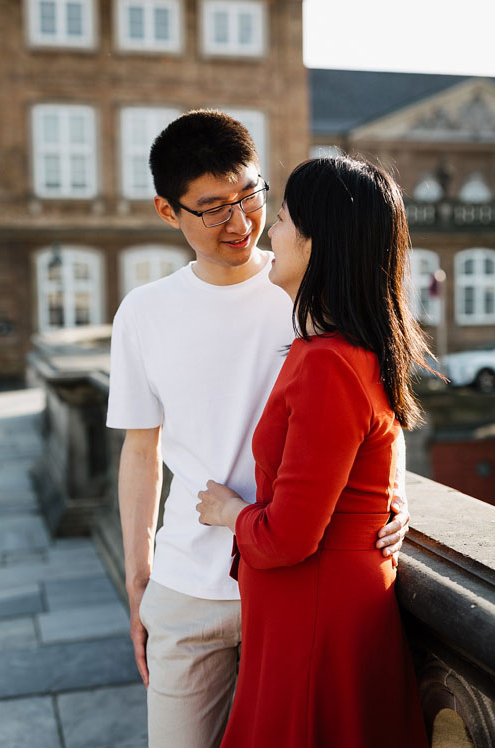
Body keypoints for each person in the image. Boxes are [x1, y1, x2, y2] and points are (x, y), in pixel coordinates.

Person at [106, 111, 410, 748]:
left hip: (299, 582)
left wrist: (396, 487)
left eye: (250, 197)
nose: (240, 223)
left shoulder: (305, 282)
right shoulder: (144, 312)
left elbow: (375, 384)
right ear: (169, 212)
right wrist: (140, 579)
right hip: (191, 586)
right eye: (213, 207)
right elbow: (141, 450)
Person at [195, 156, 429, 746]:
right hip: (319, 606)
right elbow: (377, 458)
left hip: (315, 614)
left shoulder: (328, 361)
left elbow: (287, 537)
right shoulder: (347, 349)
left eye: (280, 219)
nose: (268, 234)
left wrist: (227, 513)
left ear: (317, 241)